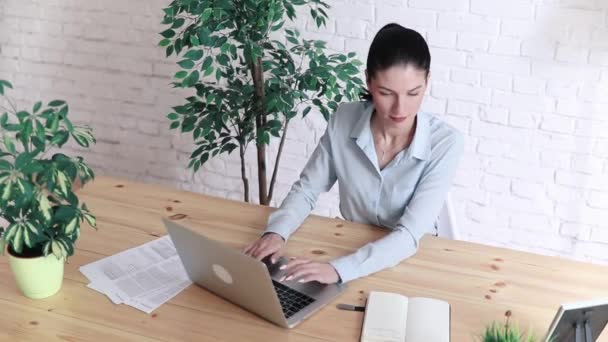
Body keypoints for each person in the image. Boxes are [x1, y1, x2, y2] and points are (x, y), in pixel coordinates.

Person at [243, 23, 464, 284]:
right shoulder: (344, 120)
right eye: (385, 93)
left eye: (413, 93)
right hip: (351, 246)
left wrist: (338, 270)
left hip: (413, 261)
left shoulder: (445, 143)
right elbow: (307, 189)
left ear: (427, 81)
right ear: (368, 81)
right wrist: (276, 233)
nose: (400, 108)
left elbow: (409, 235)